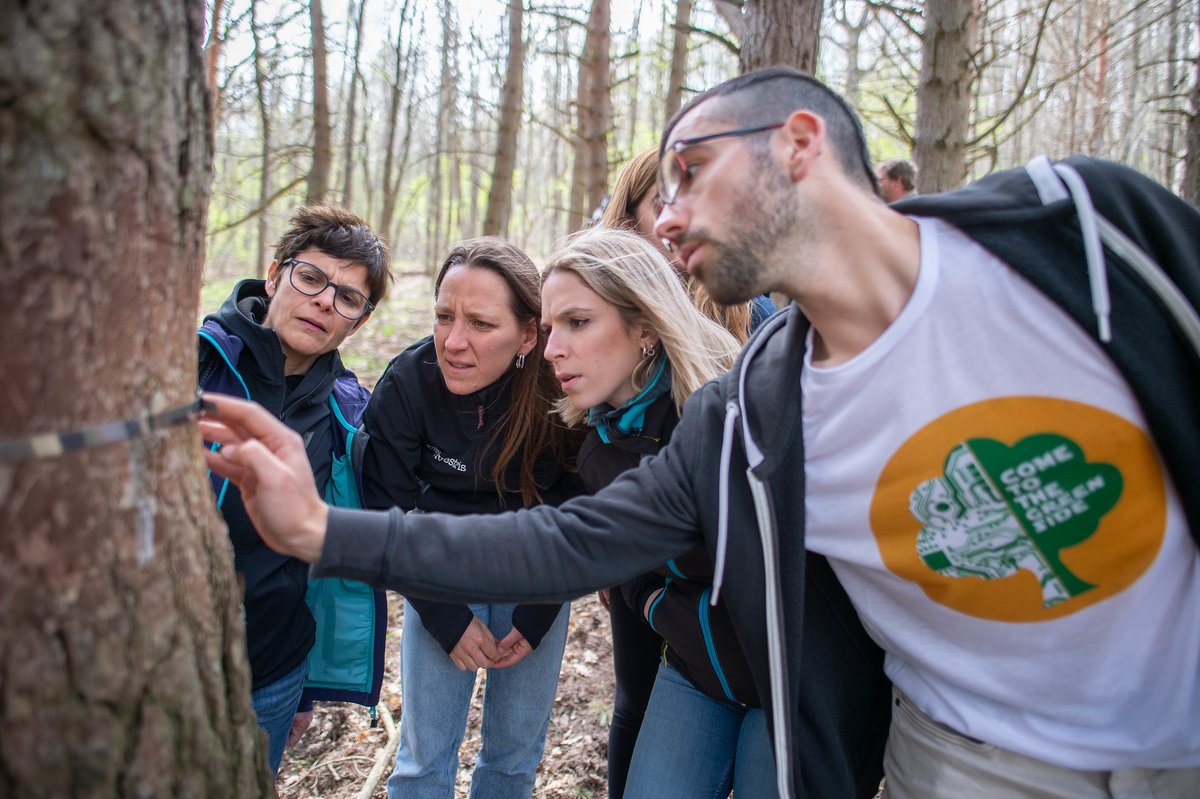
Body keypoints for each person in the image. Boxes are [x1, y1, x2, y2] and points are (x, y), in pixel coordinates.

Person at [203, 65, 1200, 799]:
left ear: (799, 143)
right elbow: (567, 540)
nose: (665, 220)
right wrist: (325, 530)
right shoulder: (756, 408)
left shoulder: (1084, 234)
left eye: (688, 174)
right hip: (968, 763)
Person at [541, 227, 765, 797]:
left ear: (644, 325)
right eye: (548, 329)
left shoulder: (736, 413)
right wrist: (650, 598)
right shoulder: (598, 453)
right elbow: (621, 559)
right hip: (695, 673)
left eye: (578, 322)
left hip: (791, 681)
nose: (551, 349)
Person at [358, 237, 582, 798]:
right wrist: (443, 615)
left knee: (512, 759)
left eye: (481, 324)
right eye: (443, 317)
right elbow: (383, 509)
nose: (454, 342)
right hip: (438, 570)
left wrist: (537, 613)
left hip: (534, 574)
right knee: (422, 759)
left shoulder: (561, 390)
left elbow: (578, 503)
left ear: (529, 334)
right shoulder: (409, 382)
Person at [198, 202, 391, 775]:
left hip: (273, 667)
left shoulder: (347, 413)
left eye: (348, 298)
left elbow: (326, 558)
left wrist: (304, 687)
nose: (324, 302)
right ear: (275, 273)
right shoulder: (195, 364)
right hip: (162, 658)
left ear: (358, 320)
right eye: (311, 278)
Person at [602, 147, 775, 342]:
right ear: (630, 223)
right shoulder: (601, 304)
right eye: (664, 203)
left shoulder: (749, 311)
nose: (683, 219)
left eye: (695, 201)